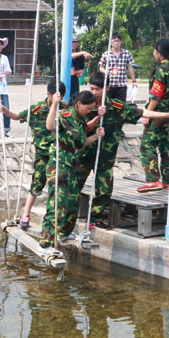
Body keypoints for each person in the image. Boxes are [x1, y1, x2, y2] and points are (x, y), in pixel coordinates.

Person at [76, 72, 169, 227]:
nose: (94, 92)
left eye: (97, 89)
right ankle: (68, 220)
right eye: (92, 88)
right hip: (84, 155)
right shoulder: (83, 104)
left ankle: (95, 219)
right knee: (73, 188)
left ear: (107, 88)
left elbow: (140, 113)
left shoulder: (116, 107)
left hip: (105, 158)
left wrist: (166, 115)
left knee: (104, 190)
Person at [38, 90, 104, 253]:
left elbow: (80, 143)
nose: (89, 112)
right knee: (57, 203)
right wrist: (54, 103)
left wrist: (95, 135)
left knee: (73, 199)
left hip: (71, 164)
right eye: (88, 108)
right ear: (79, 104)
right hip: (58, 164)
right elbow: (50, 125)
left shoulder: (80, 120)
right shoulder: (64, 114)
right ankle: (46, 241)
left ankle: (63, 233)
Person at [0, 78, 65, 230]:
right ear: (49, 94)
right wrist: (6, 111)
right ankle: (26, 214)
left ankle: (56, 217)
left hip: (59, 153)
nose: (57, 100)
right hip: (43, 154)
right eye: (55, 96)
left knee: (58, 184)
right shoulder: (37, 109)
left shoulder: (65, 109)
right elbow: (18, 117)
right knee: (37, 183)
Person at [137, 39, 169, 193]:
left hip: (158, 114)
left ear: (158, 52)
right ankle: (168, 182)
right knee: (167, 149)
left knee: (147, 145)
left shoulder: (161, 70)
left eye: (154, 51)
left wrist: (147, 114)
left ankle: (153, 179)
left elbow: (156, 94)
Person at [98, 33, 137, 101]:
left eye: (118, 41)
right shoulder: (106, 54)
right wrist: (106, 72)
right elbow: (101, 67)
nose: (116, 43)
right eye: (114, 41)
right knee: (109, 105)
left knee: (121, 106)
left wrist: (134, 80)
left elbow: (130, 67)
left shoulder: (126, 53)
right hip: (110, 84)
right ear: (111, 43)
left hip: (122, 84)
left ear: (121, 42)